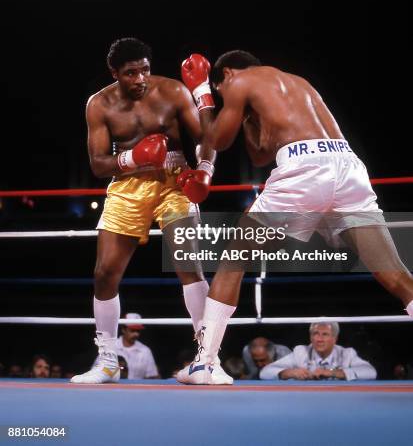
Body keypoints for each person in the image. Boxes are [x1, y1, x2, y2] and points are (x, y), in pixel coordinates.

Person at [176, 50, 413, 384]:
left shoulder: (239, 81)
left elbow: (217, 139)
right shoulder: (297, 83)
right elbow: (260, 154)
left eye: (221, 90)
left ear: (227, 74)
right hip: (348, 168)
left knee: (233, 259)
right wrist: (243, 116)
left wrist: (203, 94)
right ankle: (206, 363)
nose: (225, 97)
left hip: (306, 170)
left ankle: (205, 363)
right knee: (395, 274)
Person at [71, 38, 231, 384]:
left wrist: (205, 169)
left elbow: (209, 136)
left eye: (144, 68)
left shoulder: (172, 91)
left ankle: (208, 360)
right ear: (115, 73)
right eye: (131, 73)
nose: (141, 78)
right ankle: (108, 361)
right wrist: (134, 157)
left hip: (174, 180)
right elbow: (98, 165)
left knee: (189, 266)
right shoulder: (99, 104)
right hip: (128, 184)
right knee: (105, 272)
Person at [259, 321, 376, 380]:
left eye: (325, 334)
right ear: (310, 337)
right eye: (316, 334)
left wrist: (334, 373)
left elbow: (370, 372)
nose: (319, 339)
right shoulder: (301, 352)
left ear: (334, 339)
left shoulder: (346, 354)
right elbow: (265, 372)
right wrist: (288, 372)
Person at [112, 313, 159, 379]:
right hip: (114, 388)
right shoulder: (111, 347)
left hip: (138, 388)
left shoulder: (145, 350)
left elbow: (153, 377)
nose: (136, 334)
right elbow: (98, 371)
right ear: (123, 329)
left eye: (138, 331)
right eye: (133, 330)